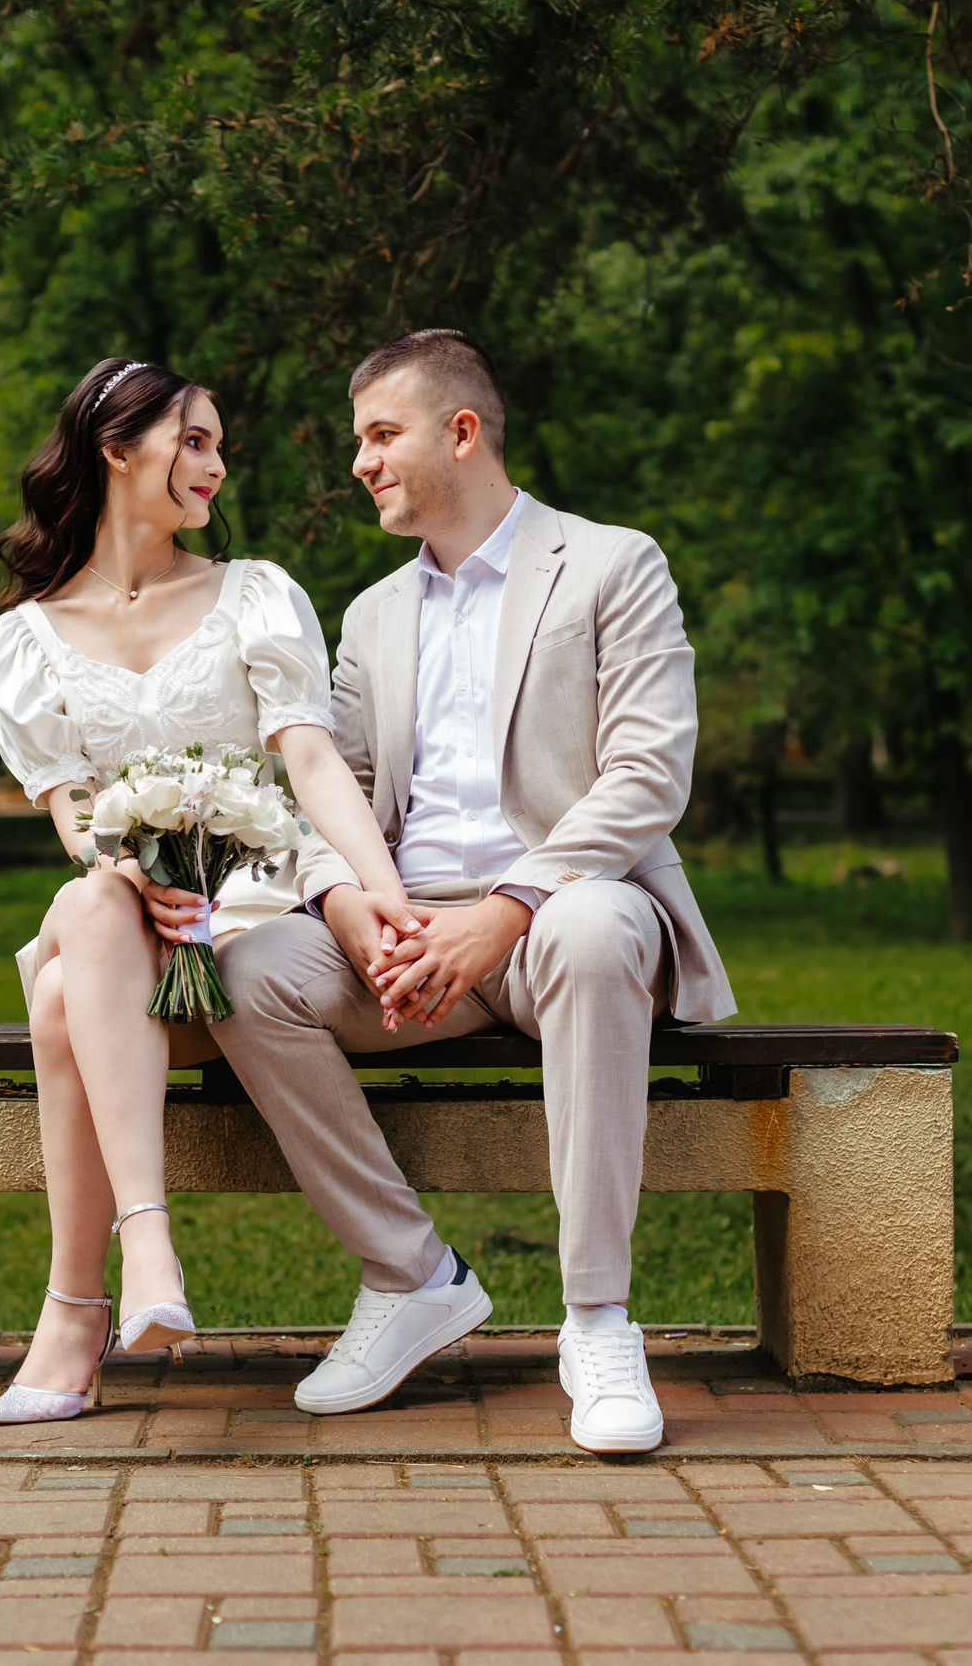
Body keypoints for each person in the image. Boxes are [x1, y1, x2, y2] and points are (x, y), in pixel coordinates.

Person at [206, 329, 737, 1454]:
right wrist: (354, 906)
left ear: (462, 431)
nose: (361, 461)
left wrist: (504, 913)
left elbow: (648, 775)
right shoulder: (369, 616)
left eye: (380, 434)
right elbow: (325, 799)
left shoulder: (610, 563)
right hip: (403, 931)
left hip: (563, 908)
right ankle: (408, 1277)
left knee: (593, 930)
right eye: (359, 440)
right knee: (243, 974)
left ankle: (596, 1319)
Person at [0, 357, 420, 1423]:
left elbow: (308, 766)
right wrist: (126, 871)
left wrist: (388, 898)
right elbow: (75, 816)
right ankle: (147, 1252)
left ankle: (82, 1308)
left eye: (217, 444)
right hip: (125, 920)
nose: (214, 465)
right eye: (192, 440)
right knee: (91, 903)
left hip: (254, 919)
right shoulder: (26, 637)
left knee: (55, 1006)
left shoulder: (253, 595)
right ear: (113, 447)